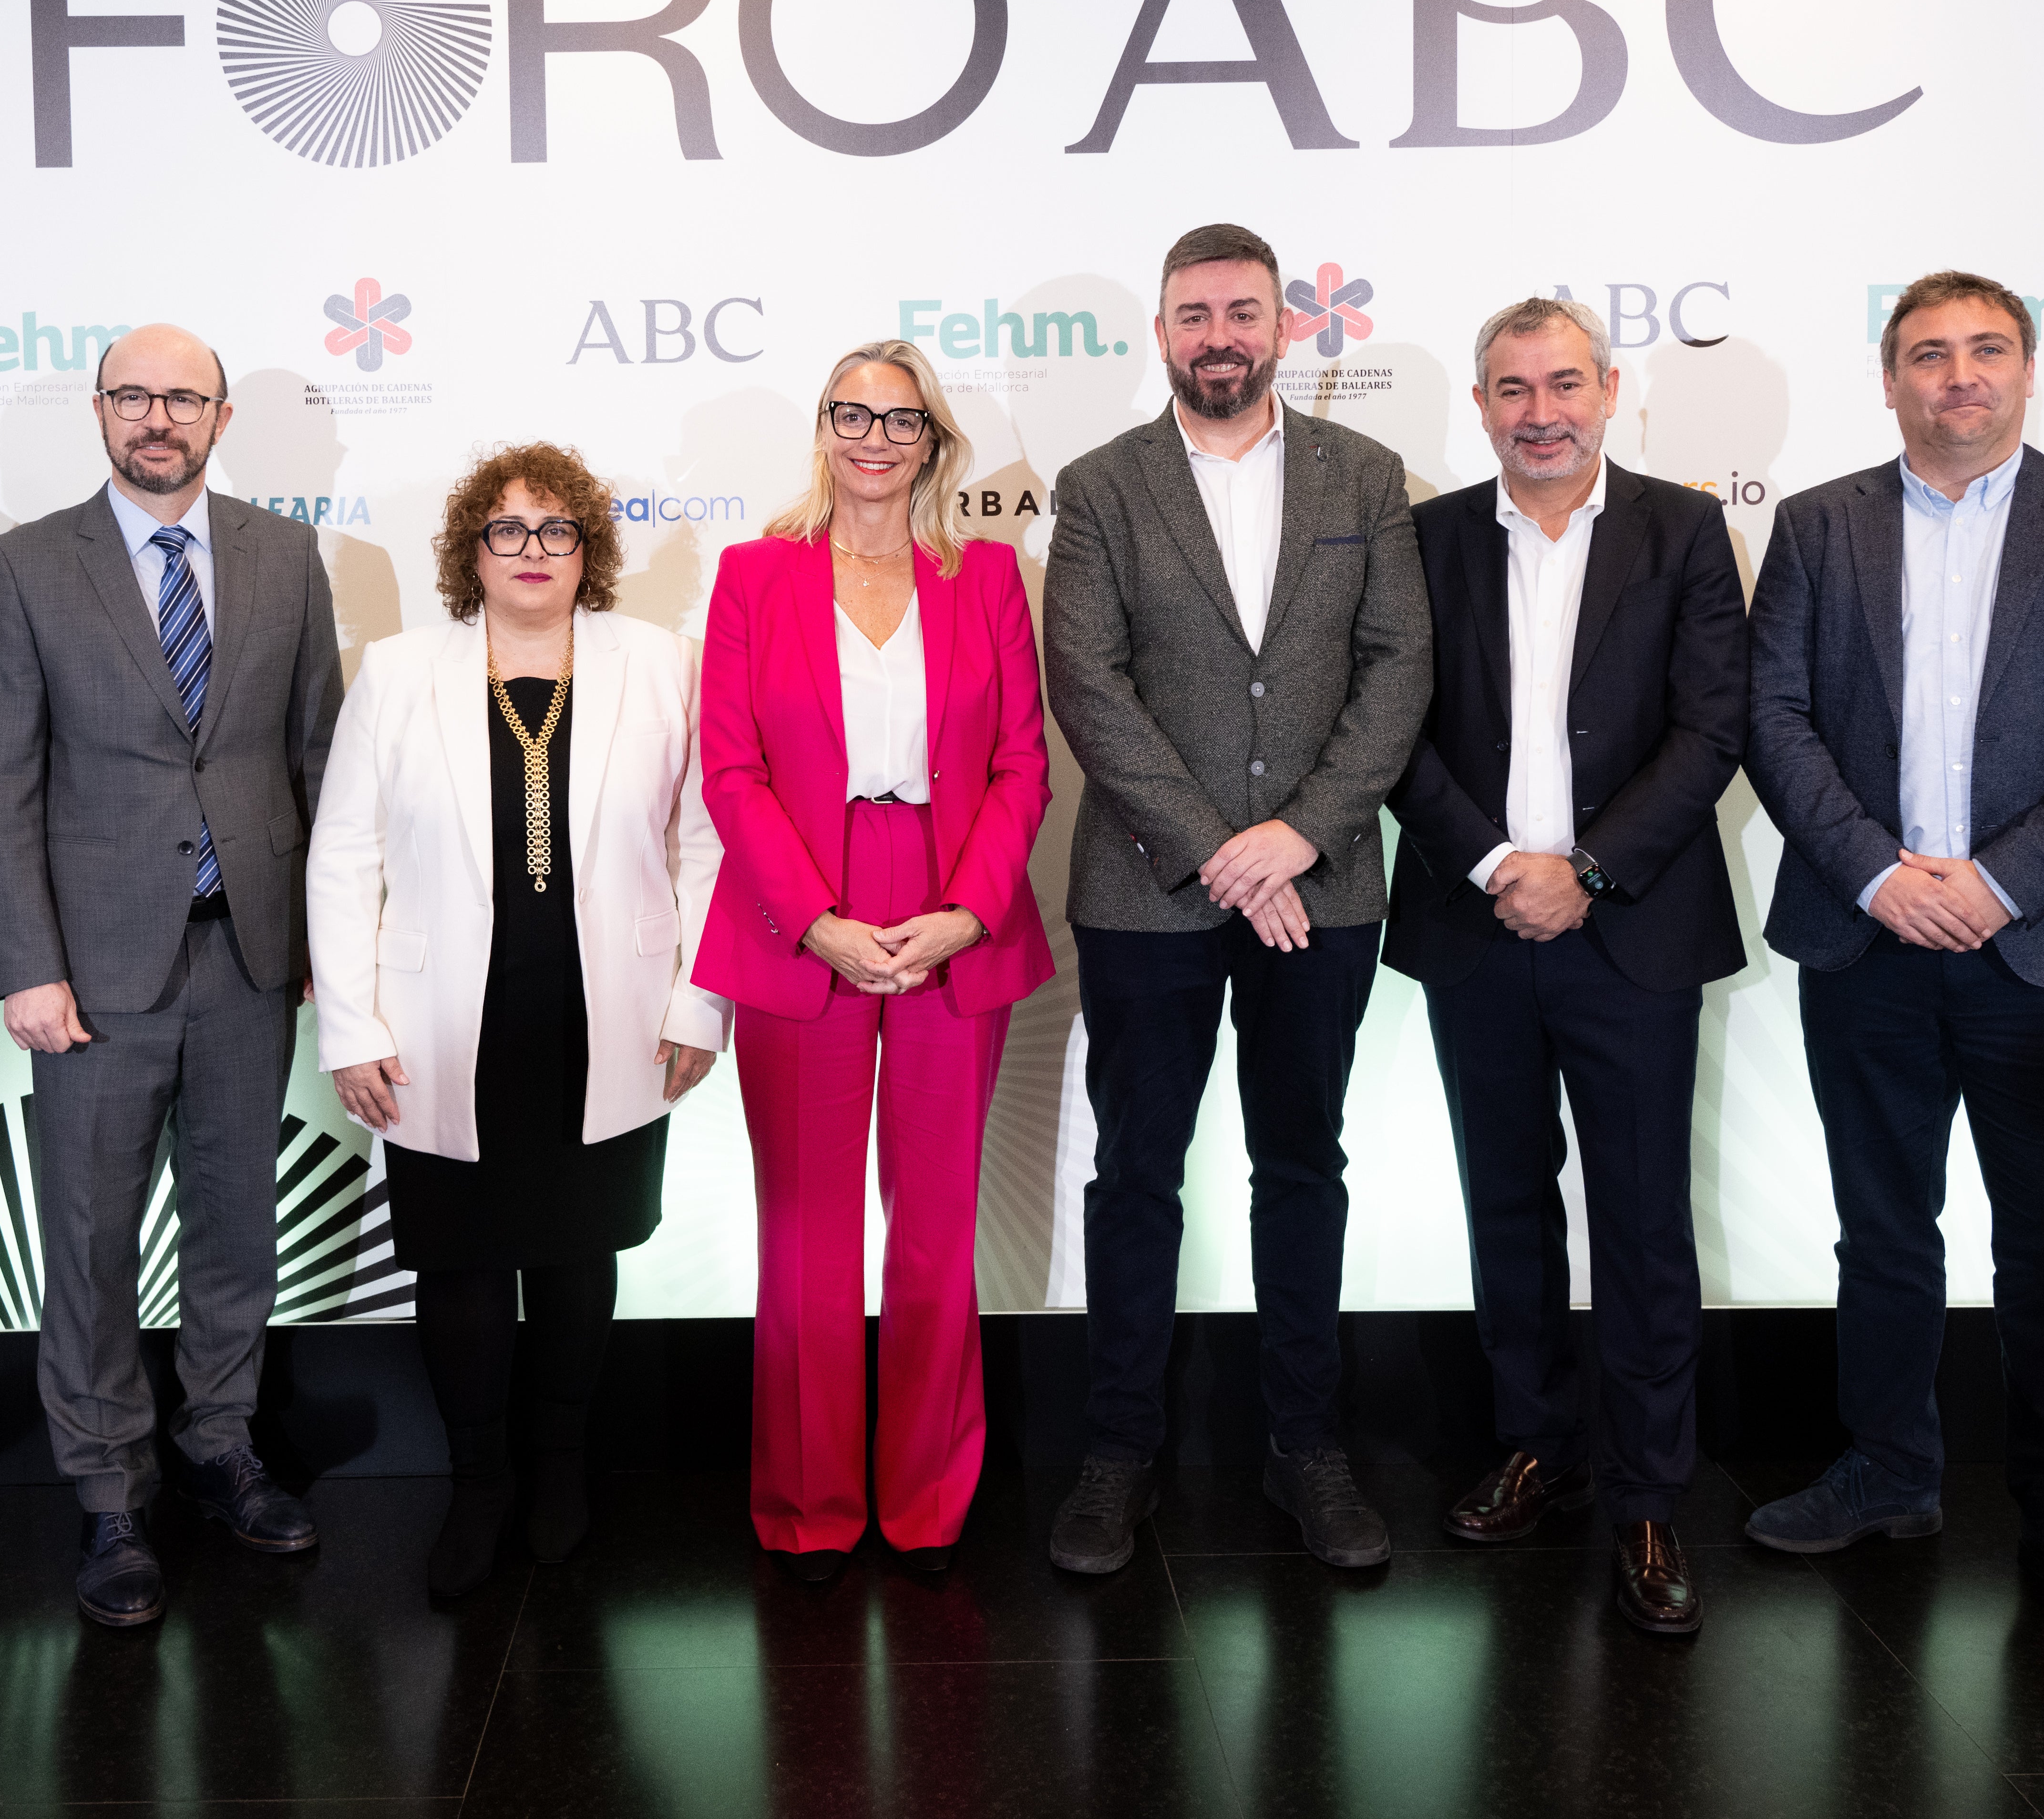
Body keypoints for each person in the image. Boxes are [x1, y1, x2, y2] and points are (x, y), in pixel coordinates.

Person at [1744, 270, 2044, 1649]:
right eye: (1927, 355)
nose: (1958, 376)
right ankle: (1890, 1472)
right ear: (1886, 380)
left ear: (2025, 369)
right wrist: (1882, 875)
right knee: (1882, 1235)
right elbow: (1774, 718)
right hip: (1866, 937)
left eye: (1984, 350)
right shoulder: (1818, 525)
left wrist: (1997, 882)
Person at [1041, 223, 1432, 1576]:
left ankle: (1305, 1449)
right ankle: (1114, 1453)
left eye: (1242, 312)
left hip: (1320, 892)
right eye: (1193, 313)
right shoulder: (1098, 485)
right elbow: (1088, 684)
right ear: (1159, 334)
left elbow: (1396, 672)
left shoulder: (1364, 474)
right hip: (1146, 890)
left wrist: (1297, 838)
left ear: (1284, 328)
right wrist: (1223, 849)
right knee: (1134, 1174)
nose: (1218, 334)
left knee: (1300, 1167)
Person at [0, 323, 343, 1628]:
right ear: (98, 409)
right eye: (133, 394)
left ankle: (220, 1440)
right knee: (89, 1237)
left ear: (222, 416)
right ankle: (108, 1490)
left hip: (247, 953)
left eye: (182, 396)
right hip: (93, 973)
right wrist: (26, 964)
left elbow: (315, 760)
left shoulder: (287, 557)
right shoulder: (22, 568)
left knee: (238, 1220)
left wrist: (315, 947)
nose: (157, 416)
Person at [1383, 298, 1748, 1635]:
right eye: (1509, 389)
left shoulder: (1683, 529)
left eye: (1561, 385)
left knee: (1644, 1220)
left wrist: (1582, 871)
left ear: (1609, 392)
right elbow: (1394, 731)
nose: (1538, 411)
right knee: (1506, 1204)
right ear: (1478, 407)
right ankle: (1537, 1443)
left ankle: (1649, 1493)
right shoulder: (1422, 541)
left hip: (1631, 930)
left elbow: (1712, 730)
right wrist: (1494, 866)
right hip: (1474, 924)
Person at [306, 443, 725, 1598]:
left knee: (579, 1253)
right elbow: (344, 854)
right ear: (469, 552)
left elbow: (704, 844)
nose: (532, 550)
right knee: (461, 1259)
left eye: (556, 530)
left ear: (587, 549)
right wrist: (348, 1022)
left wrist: (702, 998)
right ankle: (477, 1478)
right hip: (441, 1021)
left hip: (614, 1014)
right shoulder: (395, 673)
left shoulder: (657, 664)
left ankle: (558, 1470)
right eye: (508, 530)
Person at [694, 339, 1053, 1581]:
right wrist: (815, 920)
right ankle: (806, 1504)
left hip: (953, 907)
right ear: (823, 427)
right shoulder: (752, 576)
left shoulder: (988, 576)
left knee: (936, 1227)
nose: (873, 438)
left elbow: (1022, 765)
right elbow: (730, 773)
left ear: (931, 444)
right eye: (851, 413)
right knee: (805, 1236)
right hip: (804, 910)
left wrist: (967, 908)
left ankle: (927, 1501)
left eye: (899, 421)